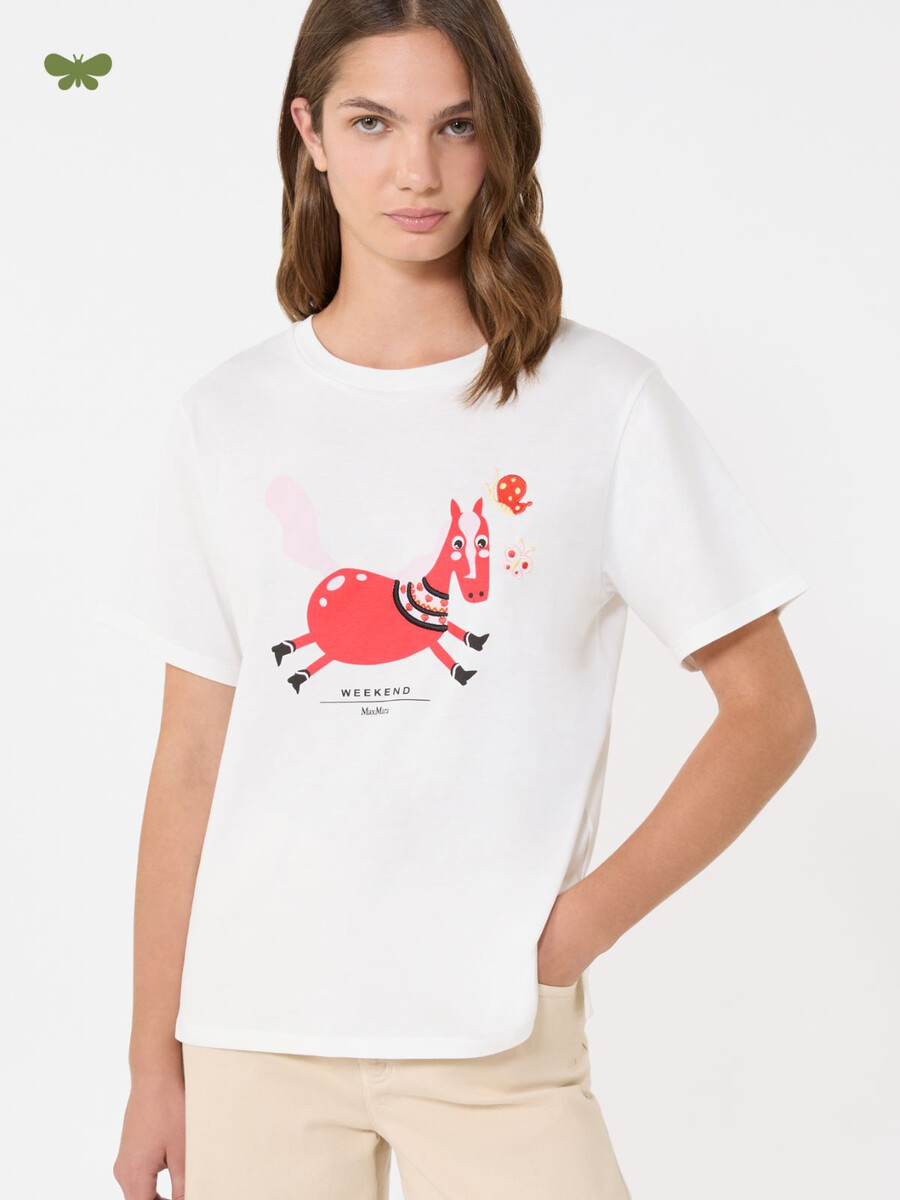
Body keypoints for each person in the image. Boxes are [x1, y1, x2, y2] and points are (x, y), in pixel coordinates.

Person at [103, 1, 816, 1196]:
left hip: (496, 1034)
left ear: (502, 139)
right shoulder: (224, 420)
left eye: (457, 125)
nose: (417, 173)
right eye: (371, 123)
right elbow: (188, 762)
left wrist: (576, 931)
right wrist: (150, 1068)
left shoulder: (600, 402)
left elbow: (771, 713)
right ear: (309, 133)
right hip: (254, 1035)